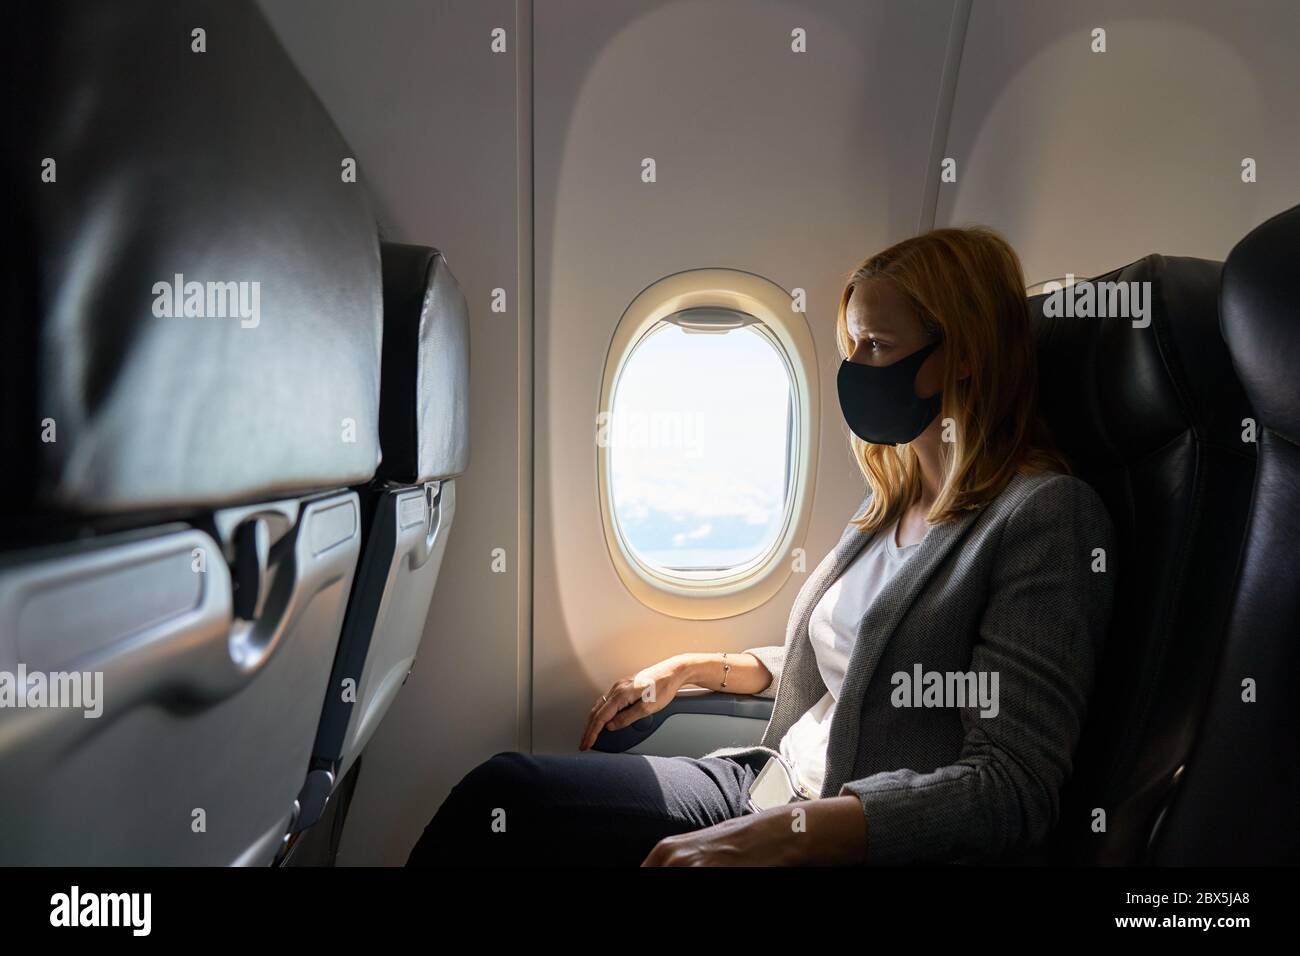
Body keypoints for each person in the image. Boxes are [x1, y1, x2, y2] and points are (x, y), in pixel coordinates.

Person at [407, 226, 1116, 867]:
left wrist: (782, 834)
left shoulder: (1044, 517)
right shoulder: (894, 502)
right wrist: (697, 668)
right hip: (763, 779)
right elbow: (861, 659)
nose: (856, 370)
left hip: (832, 828)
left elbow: (1011, 786)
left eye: (878, 346)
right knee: (504, 797)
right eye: (851, 347)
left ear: (960, 355)